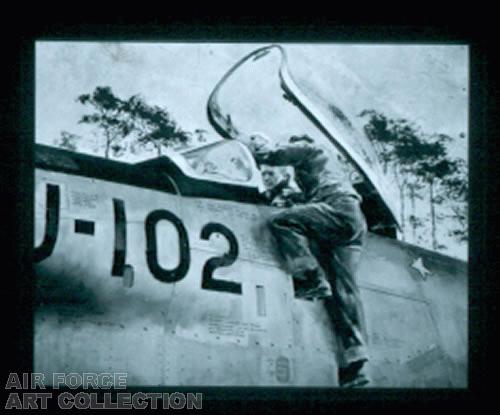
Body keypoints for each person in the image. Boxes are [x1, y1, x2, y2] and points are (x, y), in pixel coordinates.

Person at [246, 132, 370, 387]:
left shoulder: (311, 149)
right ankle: (355, 365)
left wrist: (251, 146)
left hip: (338, 210)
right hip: (353, 223)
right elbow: (303, 201)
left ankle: (310, 277)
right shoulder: (321, 174)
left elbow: (273, 155)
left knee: (283, 221)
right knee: (344, 292)